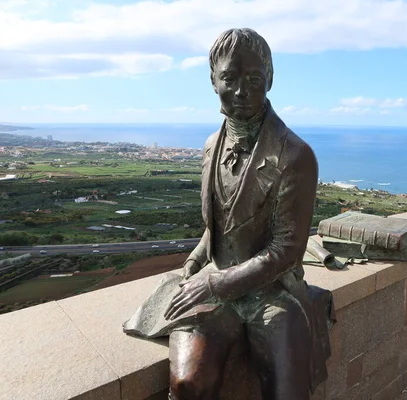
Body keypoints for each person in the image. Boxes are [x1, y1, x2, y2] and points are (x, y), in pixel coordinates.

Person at [124, 28, 333, 400]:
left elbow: (287, 250)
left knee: (289, 392)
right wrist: (194, 263)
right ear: (213, 81)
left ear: (270, 79)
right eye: (229, 78)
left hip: (272, 292)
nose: (242, 90)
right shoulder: (209, 146)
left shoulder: (296, 155)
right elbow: (217, 226)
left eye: (254, 78)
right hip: (215, 286)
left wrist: (213, 284)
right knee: (188, 384)